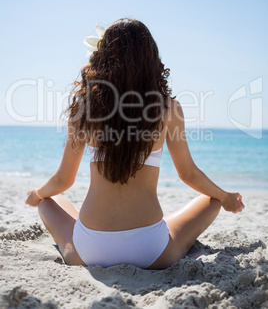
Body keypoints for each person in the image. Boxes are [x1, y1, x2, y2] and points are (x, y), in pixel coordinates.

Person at [25, 18, 245, 269]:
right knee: (211, 201)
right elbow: (189, 174)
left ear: (102, 57)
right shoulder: (168, 108)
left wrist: (38, 194)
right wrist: (225, 197)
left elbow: (64, 180)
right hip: (150, 249)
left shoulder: (85, 108)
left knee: (49, 202)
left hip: (91, 249)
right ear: (151, 59)